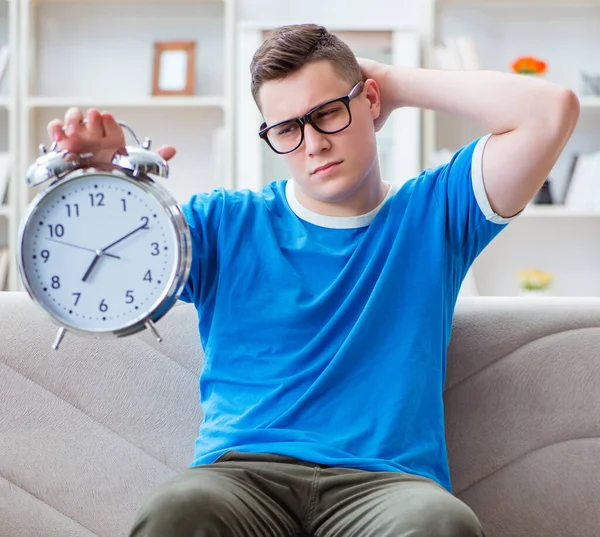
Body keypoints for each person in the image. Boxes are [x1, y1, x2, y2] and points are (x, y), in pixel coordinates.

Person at [48, 23, 579, 537]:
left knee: (441, 525)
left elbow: (552, 109)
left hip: (386, 485)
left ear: (369, 102)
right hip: (241, 476)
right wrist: (107, 181)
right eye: (287, 128)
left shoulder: (435, 212)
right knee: (177, 510)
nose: (313, 144)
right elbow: (94, 268)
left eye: (328, 113)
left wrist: (391, 81)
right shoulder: (223, 222)